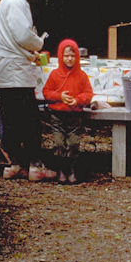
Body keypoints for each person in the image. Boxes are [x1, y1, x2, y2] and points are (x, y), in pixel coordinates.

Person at [0, 0, 56, 181]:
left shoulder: (8, 0)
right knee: (28, 119)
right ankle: (36, 166)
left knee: (10, 118)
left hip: (6, 69)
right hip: (15, 71)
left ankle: (16, 163)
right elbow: (23, 35)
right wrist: (39, 42)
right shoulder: (16, 2)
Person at [41, 38, 95, 183]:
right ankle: (60, 170)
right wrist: (60, 96)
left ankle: (71, 169)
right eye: (66, 56)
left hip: (74, 116)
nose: (69, 59)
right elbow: (46, 92)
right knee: (59, 144)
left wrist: (77, 100)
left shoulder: (82, 75)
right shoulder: (54, 74)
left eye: (72, 55)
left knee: (73, 144)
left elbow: (88, 94)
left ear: (77, 57)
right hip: (57, 116)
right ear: (60, 56)